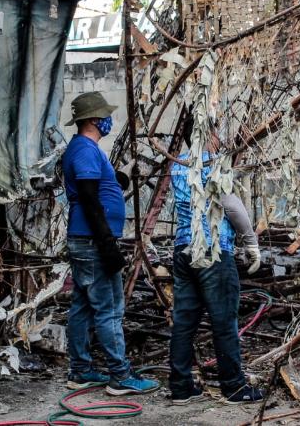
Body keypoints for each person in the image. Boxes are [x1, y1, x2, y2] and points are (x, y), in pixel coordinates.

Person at [62, 92, 160, 395]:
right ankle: (120, 375)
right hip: (92, 242)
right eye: (105, 116)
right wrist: (107, 245)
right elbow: (90, 200)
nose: (109, 120)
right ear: (94, 119)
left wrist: (121, 176)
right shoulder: (85, 150)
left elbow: (99, 188)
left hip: (86, 240)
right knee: (110, 309)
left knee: (82, 307)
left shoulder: (85, 150)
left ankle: (80, 371)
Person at [168, 123, 264, 405]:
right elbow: (231, 206)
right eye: (215, 132)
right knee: (223, 322)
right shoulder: (213, 164)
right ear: (206, 133)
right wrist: (250, 243)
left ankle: (181, 387)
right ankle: (234, 387)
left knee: (184, 322)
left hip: (184, 249)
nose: (220, 138)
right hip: (213, 250)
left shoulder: (178, 165)